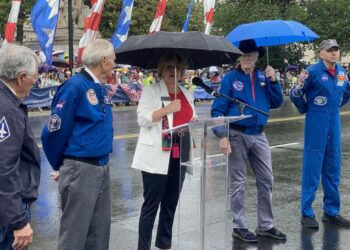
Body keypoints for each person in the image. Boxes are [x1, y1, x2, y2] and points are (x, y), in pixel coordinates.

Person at [41, 39, 115, 250]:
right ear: (103, 61)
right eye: (113, 59)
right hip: (81, 168)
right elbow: (55, 130)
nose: (115, 63)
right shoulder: (74, 86)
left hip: (101, 165)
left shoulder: (98, 86)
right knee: (74, 236)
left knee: (99, 234)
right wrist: (62, 165)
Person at [211, 39, 286, 243]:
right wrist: (222, 135)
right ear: (239, 56)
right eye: (243, 54)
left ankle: (266, 225)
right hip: (236, 134)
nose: (246, 57)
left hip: (259, 134)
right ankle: (239, 226)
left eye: (250, 54)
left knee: (267, 179)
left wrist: (274, 81)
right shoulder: (229, 79)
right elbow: (217, 109)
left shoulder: (263, 76)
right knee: (238, 182)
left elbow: (277, 102)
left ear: (257, 57)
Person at [132, 53, 196, 250]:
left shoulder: (187, 93)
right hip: (157, 154)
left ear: (183, 72)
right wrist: (167, 109)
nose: (173, 71)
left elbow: (190, 119)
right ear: (161, 70)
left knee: (170, 203)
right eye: (168, 66)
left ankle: (164, 244)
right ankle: (143, 247)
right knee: (151, 205)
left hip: (181, 151)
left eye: (177, 67)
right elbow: (142, 119)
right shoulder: (151, 91)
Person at [290, 39, 350, 230]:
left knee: (333, 167)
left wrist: (334, 106)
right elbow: (295, 92)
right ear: (321, 54)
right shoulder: (312, 71)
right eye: (330, 50)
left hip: (334, 121)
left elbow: (346, 93)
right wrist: (306, 108)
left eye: (336, 50)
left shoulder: (341, 72)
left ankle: (331, 211)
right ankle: (307, 212)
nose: (334, 53)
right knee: (313, 168)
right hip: (316, 121)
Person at [0, 45, 41, 250]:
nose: (36, 81)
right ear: (21, 76)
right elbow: (4, 168)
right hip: (7, 212)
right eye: (35, 76)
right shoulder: (7, 109)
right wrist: (18, 221)